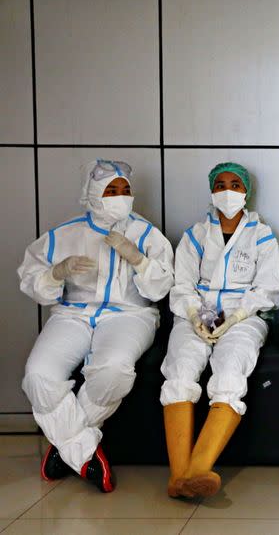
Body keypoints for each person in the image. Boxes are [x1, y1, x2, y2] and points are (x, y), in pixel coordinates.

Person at [18, 159, 174, 492]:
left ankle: (64, 449)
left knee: (115, 369)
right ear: (92, 193)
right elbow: (32, 279)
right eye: (111, 190)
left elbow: (161, 288)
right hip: (72, 314)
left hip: (130, 315)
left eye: (125, 190)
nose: (120, 196)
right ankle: (83, 452)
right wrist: (55, 273)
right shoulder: (66, 233)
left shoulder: (146, 234)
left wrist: (138, 259)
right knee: (38, 375)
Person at [161, 162, 279, 498]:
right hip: (195, 315)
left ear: (246, 191)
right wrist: (193, 314)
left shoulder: (261, 235)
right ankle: (180, 476)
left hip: (244, 318)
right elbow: (182, 282)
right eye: (220, 184)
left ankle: (198, 469)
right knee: (180, 371)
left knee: (231, 373)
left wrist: (235, 317)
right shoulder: (195, 235)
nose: (228, 191)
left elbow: (270, 286)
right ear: (211, 191)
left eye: (235, 184)